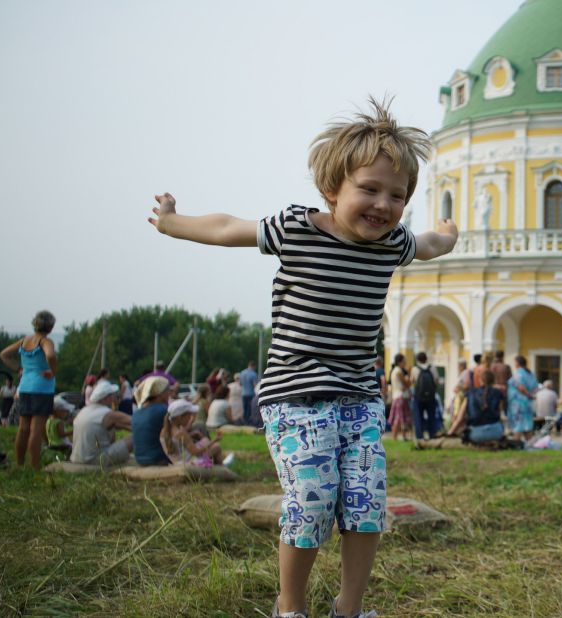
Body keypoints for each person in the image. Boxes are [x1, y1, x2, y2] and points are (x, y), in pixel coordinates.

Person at [146, 97, 456, 618]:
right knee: (312, 496)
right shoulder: (298, 229)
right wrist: (174, 223)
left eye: (396, 195)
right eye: (370, 189)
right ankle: (289, 609)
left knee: (365, 503)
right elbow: (228, 229)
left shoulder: (392, 244)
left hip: (358, 396)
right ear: (332, 188)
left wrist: (446, 236)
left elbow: (426, 244)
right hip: (296, 394)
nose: (383, 204)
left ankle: (349, 609)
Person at [0, 310, 59, 469]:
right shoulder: (46, 342)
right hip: (42, 389)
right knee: (36, 430)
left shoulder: (24, 341)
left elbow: (4, 355)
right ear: (51, 327)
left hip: (24, 387)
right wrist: (53, 371)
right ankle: (34, 467)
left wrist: (18, 369)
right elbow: (51, 356)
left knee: (23, 427)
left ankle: (19, 464)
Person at [71, 380, 133, 467]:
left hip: (77, 458)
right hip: (96, 460)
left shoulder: (84, 411)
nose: (115, 397)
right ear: (106, 398)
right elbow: (136, 422)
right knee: (136, 437)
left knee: (110, 430)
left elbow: (116, 425)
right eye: (113, 395)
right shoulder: (108, 414)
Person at [161, 399, 229, 467]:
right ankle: (223, 468)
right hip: (189, 463)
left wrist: (192, 434)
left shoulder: (164, 431)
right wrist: (215, 440)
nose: (190, 418)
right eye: (189, 416)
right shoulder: (181, 433)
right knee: (217, 447)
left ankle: (220, 466)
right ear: (180, 417)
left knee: (204, 441)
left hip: (175, 462)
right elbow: (196, 452)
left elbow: (176, 440)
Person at [131, 377, 173, 466]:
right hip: (157, 459)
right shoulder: (163, 410)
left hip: (140, 459)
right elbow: (172, 435)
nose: (169, 393)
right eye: (168, 390)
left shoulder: (136, 413)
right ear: (160, 392)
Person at [463, 370, 506, 443]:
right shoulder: (498, 393)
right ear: (493, 381)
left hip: (475, 434)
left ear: (480, 380)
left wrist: (450, 433)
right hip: (495, 433)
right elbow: (501, 414)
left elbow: (460, 417)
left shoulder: (471, 393)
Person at [409, 352, 441, 441]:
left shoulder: (415, 369)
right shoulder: (433, 368)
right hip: (431, 396)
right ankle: (432, 435)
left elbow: (412, 381)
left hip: (418, 396)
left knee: (418, 416)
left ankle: (420, 436)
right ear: (426, 358)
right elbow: (437, 381)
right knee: (431, 416)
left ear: (417, 360)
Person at [507, 355, 537, 440]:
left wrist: (527, 394)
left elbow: (520, 386)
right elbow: (536, 388)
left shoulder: (518, 373)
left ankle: (516, 442)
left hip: (518, 403)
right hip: (528, 403)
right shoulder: (530, 373)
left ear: (517, 363)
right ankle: (529, 443)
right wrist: (530, 396)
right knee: (527, 424)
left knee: (518, 424)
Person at [387, 354, 411, 441]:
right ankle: (397, 437)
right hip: (400, 396)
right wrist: (408, 374)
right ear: (400, 362)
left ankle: (397, 437)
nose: (405, 363)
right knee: (400, 418)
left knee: (398, 418)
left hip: (396, 396)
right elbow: (407, 384)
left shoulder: (394, 371)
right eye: (404, 361)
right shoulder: (399, 371)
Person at [240, 361, 260, 427]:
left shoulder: (242, 373)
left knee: (244, 408)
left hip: (243, 393)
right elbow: (255, 385)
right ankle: (248, 423)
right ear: (253, 366)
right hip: (250, 394)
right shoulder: (253, 374)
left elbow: (240, 384)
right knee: (250, 409)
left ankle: (244, 422)